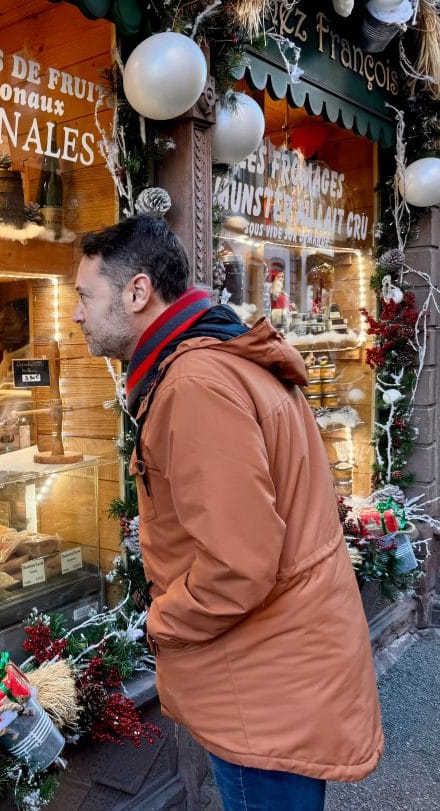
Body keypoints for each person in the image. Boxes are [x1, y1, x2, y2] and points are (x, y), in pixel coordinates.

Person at [71, 215, 381, 811]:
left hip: (263, 684)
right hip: (280, 665)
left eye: (86, 296)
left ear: (137, 292)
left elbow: (239, 565)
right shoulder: (212, 358)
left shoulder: (194, 385)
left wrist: (162, 620)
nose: (76, 314)